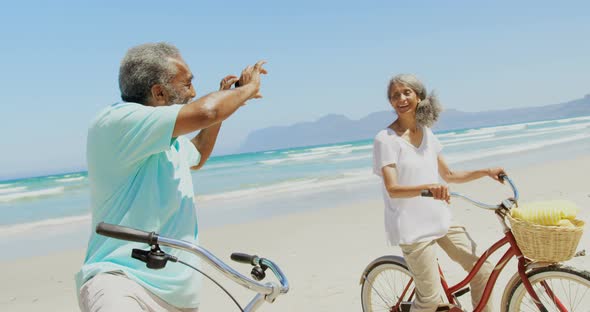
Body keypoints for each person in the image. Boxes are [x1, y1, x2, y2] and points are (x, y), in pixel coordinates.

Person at [75, 42, 267, 312]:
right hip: (123, 285)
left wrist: (224, 105)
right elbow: (206, 111)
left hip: (180, 299)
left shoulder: (168, 141)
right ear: (159, 93)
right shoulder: (118, 121)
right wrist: (249, 89)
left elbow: (198, 153)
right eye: (187, 84)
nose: (194, 92)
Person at [372, 74, 505, 312]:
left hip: (439, 217)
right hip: (412, 227)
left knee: (483, 270)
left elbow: (450, 175)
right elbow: (392, 188)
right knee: (431, 301)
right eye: (395, 95)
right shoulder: (386, 139)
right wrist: (428, 189)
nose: (401, 99)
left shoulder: (427, 134)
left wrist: (486, 171)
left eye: (406, 92)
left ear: (419, 96)